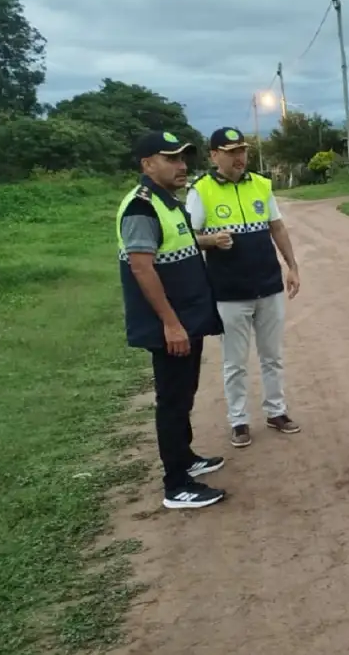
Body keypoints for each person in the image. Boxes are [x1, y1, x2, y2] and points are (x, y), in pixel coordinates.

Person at [118, 130, 229, 509]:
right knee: (172, 400)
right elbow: (141, 267)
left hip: (188, 317)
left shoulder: (169, 203)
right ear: (147, 164)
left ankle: (186, 458)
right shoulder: (141, 207)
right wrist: (170, 323)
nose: (182, 166)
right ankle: (176, 484)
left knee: (185, 395)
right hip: (171, 324)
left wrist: (208, 242)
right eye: (171, 159)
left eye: (183, 158)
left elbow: (177, 242)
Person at [186, 127, 302, 449]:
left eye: (243, 151)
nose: (239, 157)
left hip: (268, 285)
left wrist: (291, 267)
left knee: (272, 356)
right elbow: (187, 237)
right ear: (214, 156)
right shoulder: (201, 190)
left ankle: (276, 412)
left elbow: (276, 226)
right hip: (229, 291)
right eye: (231, 151)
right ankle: (238, 420)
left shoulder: (261, 185)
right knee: (234, 362)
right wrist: (210, 241)